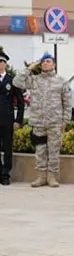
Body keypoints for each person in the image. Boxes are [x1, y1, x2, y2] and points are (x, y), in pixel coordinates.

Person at [14, 53, 71, 188]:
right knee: (40, 150)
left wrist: (65, 121)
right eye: (43, 61)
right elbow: (16, 82)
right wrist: (30, 68)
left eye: (48, 61)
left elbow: (67, 103)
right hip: (38, 122)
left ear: (54, 64)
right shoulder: (35, 80)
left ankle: (52, 177)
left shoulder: (62, 81)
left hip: (55, 122)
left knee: (53, 150)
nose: (45, 63)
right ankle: (41, 176)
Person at [0, 49, 25, 186]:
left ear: (6, 64)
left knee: (7, 147)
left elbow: (21, 103)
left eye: (2, 62)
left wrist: (18, 120)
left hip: (7, 119)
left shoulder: (12, 81)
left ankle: (5, 174)